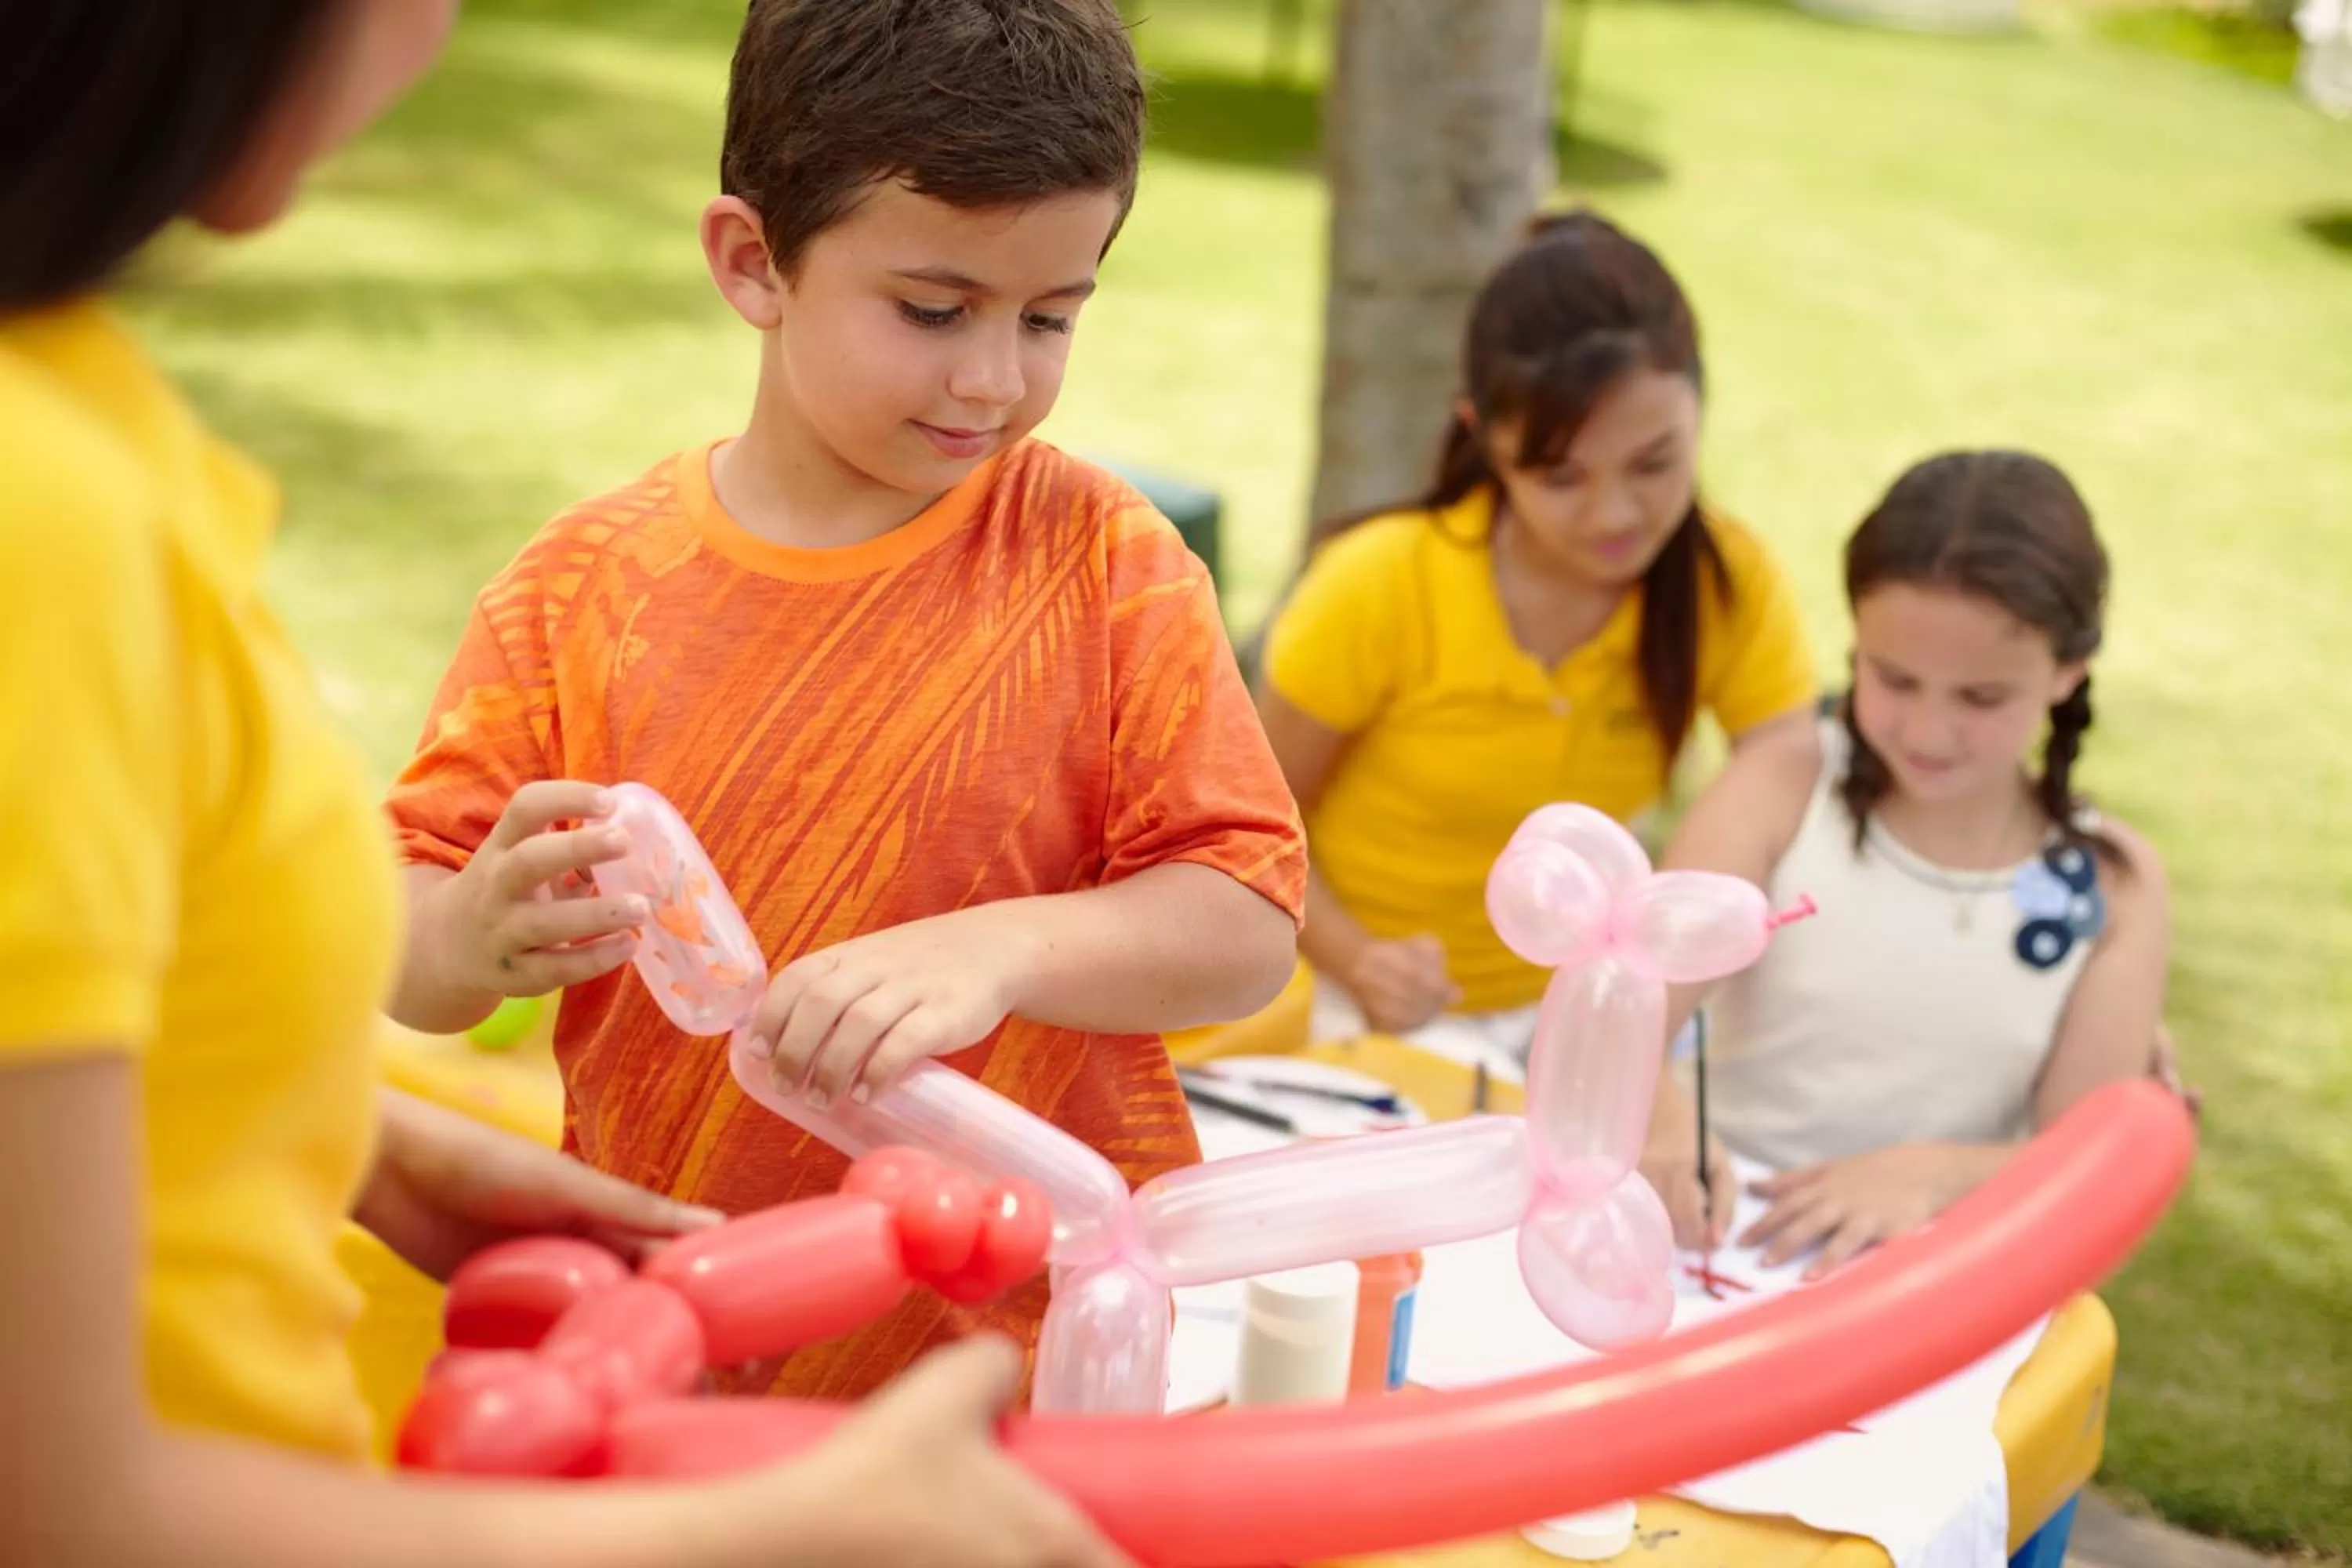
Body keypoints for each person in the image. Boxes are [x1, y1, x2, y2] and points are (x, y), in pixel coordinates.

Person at [0, 4, 1133, 1563]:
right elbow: (68, 1507)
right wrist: (766, 1534)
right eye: (936, 306)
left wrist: (360, 1142)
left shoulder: (70, 430)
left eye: (1049, 314)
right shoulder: (39, 519)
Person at [382, 0, 1305, 1401]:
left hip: (1017, 1379)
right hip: (679, 1353)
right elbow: (399, 946)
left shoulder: (1107, 566)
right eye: (935, 310)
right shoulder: (577, 592)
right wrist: (463, 929)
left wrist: (996, 951)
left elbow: (1245, 923)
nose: (995, 379)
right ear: (754, 261)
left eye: (1051, 318)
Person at [1256, 211, 1820, 1070]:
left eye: (1655, 462)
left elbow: (1780, 761)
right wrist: (1355, 956)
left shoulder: (1724, 585)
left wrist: (1649, 998)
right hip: (1361, 1011)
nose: (1617, 515)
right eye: (1561, 477)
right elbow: (1250, 823)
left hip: (1594, 1007)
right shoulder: (1379, 582)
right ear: (1482, 436)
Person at [1640, 451, 2173, 1279]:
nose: (1927, 730)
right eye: (1894, 679)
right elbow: (1629, 1007)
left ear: (2067, 674)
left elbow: (2085, 1164)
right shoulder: (1781, 788)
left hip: (1935, 1279)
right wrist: (1659, 1113)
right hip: (1705, 1236)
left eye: (1981, 697)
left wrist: (1933, 1171)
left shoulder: (2115, 886)